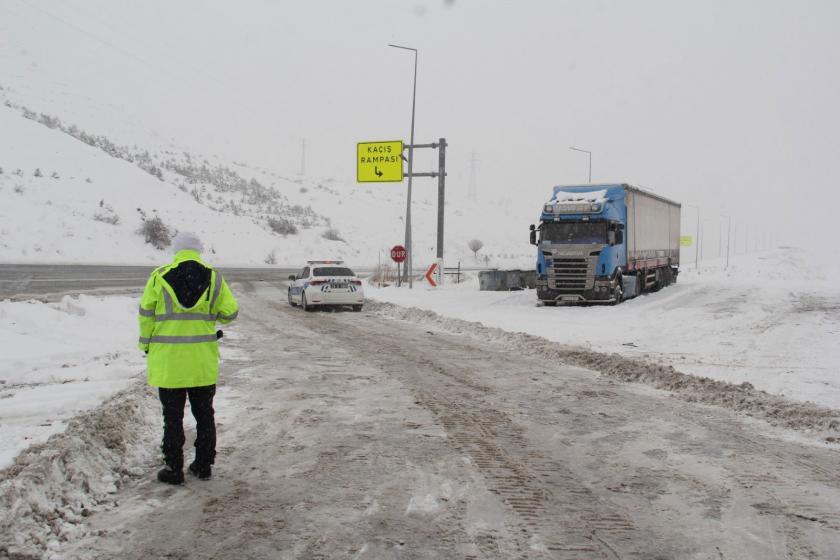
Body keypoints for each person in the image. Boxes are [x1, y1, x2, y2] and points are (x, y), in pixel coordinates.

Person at [138, 231, 239, 484]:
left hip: (169, 364)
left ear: (176, 250)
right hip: (201, 364)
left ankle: (173, 469)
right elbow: (230, 313)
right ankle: (203, 465)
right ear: (199, 250)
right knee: (204, 414)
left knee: (172, 418)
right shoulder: (214, 278)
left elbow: (146, 315)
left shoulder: (159, 277)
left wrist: (145, 344)